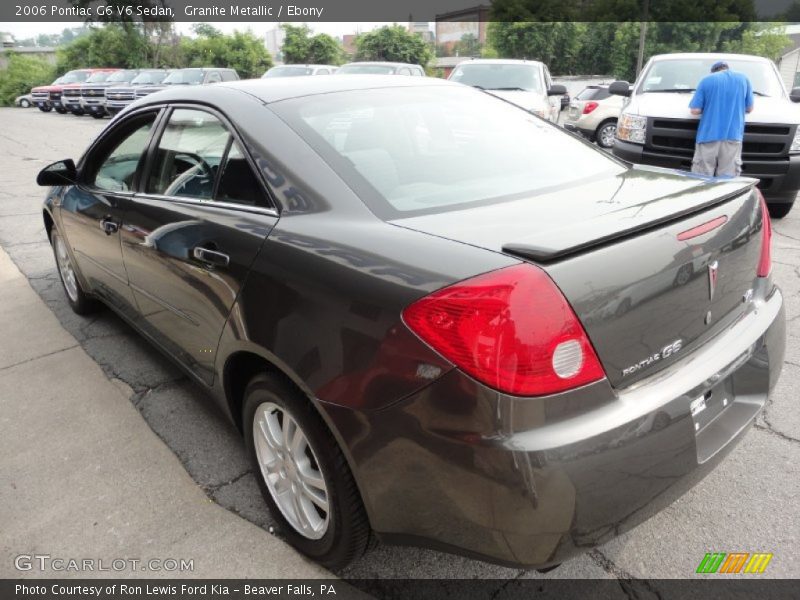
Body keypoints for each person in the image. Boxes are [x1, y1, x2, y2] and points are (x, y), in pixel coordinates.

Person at [688, 61, 754, 178]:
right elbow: (749, 108)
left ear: (713, 71)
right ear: (727, 68)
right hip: (733, 135)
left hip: (708, 135)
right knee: (728, 178)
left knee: (702, 177)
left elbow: (695, 110)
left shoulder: (707, 80)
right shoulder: (743, 79)